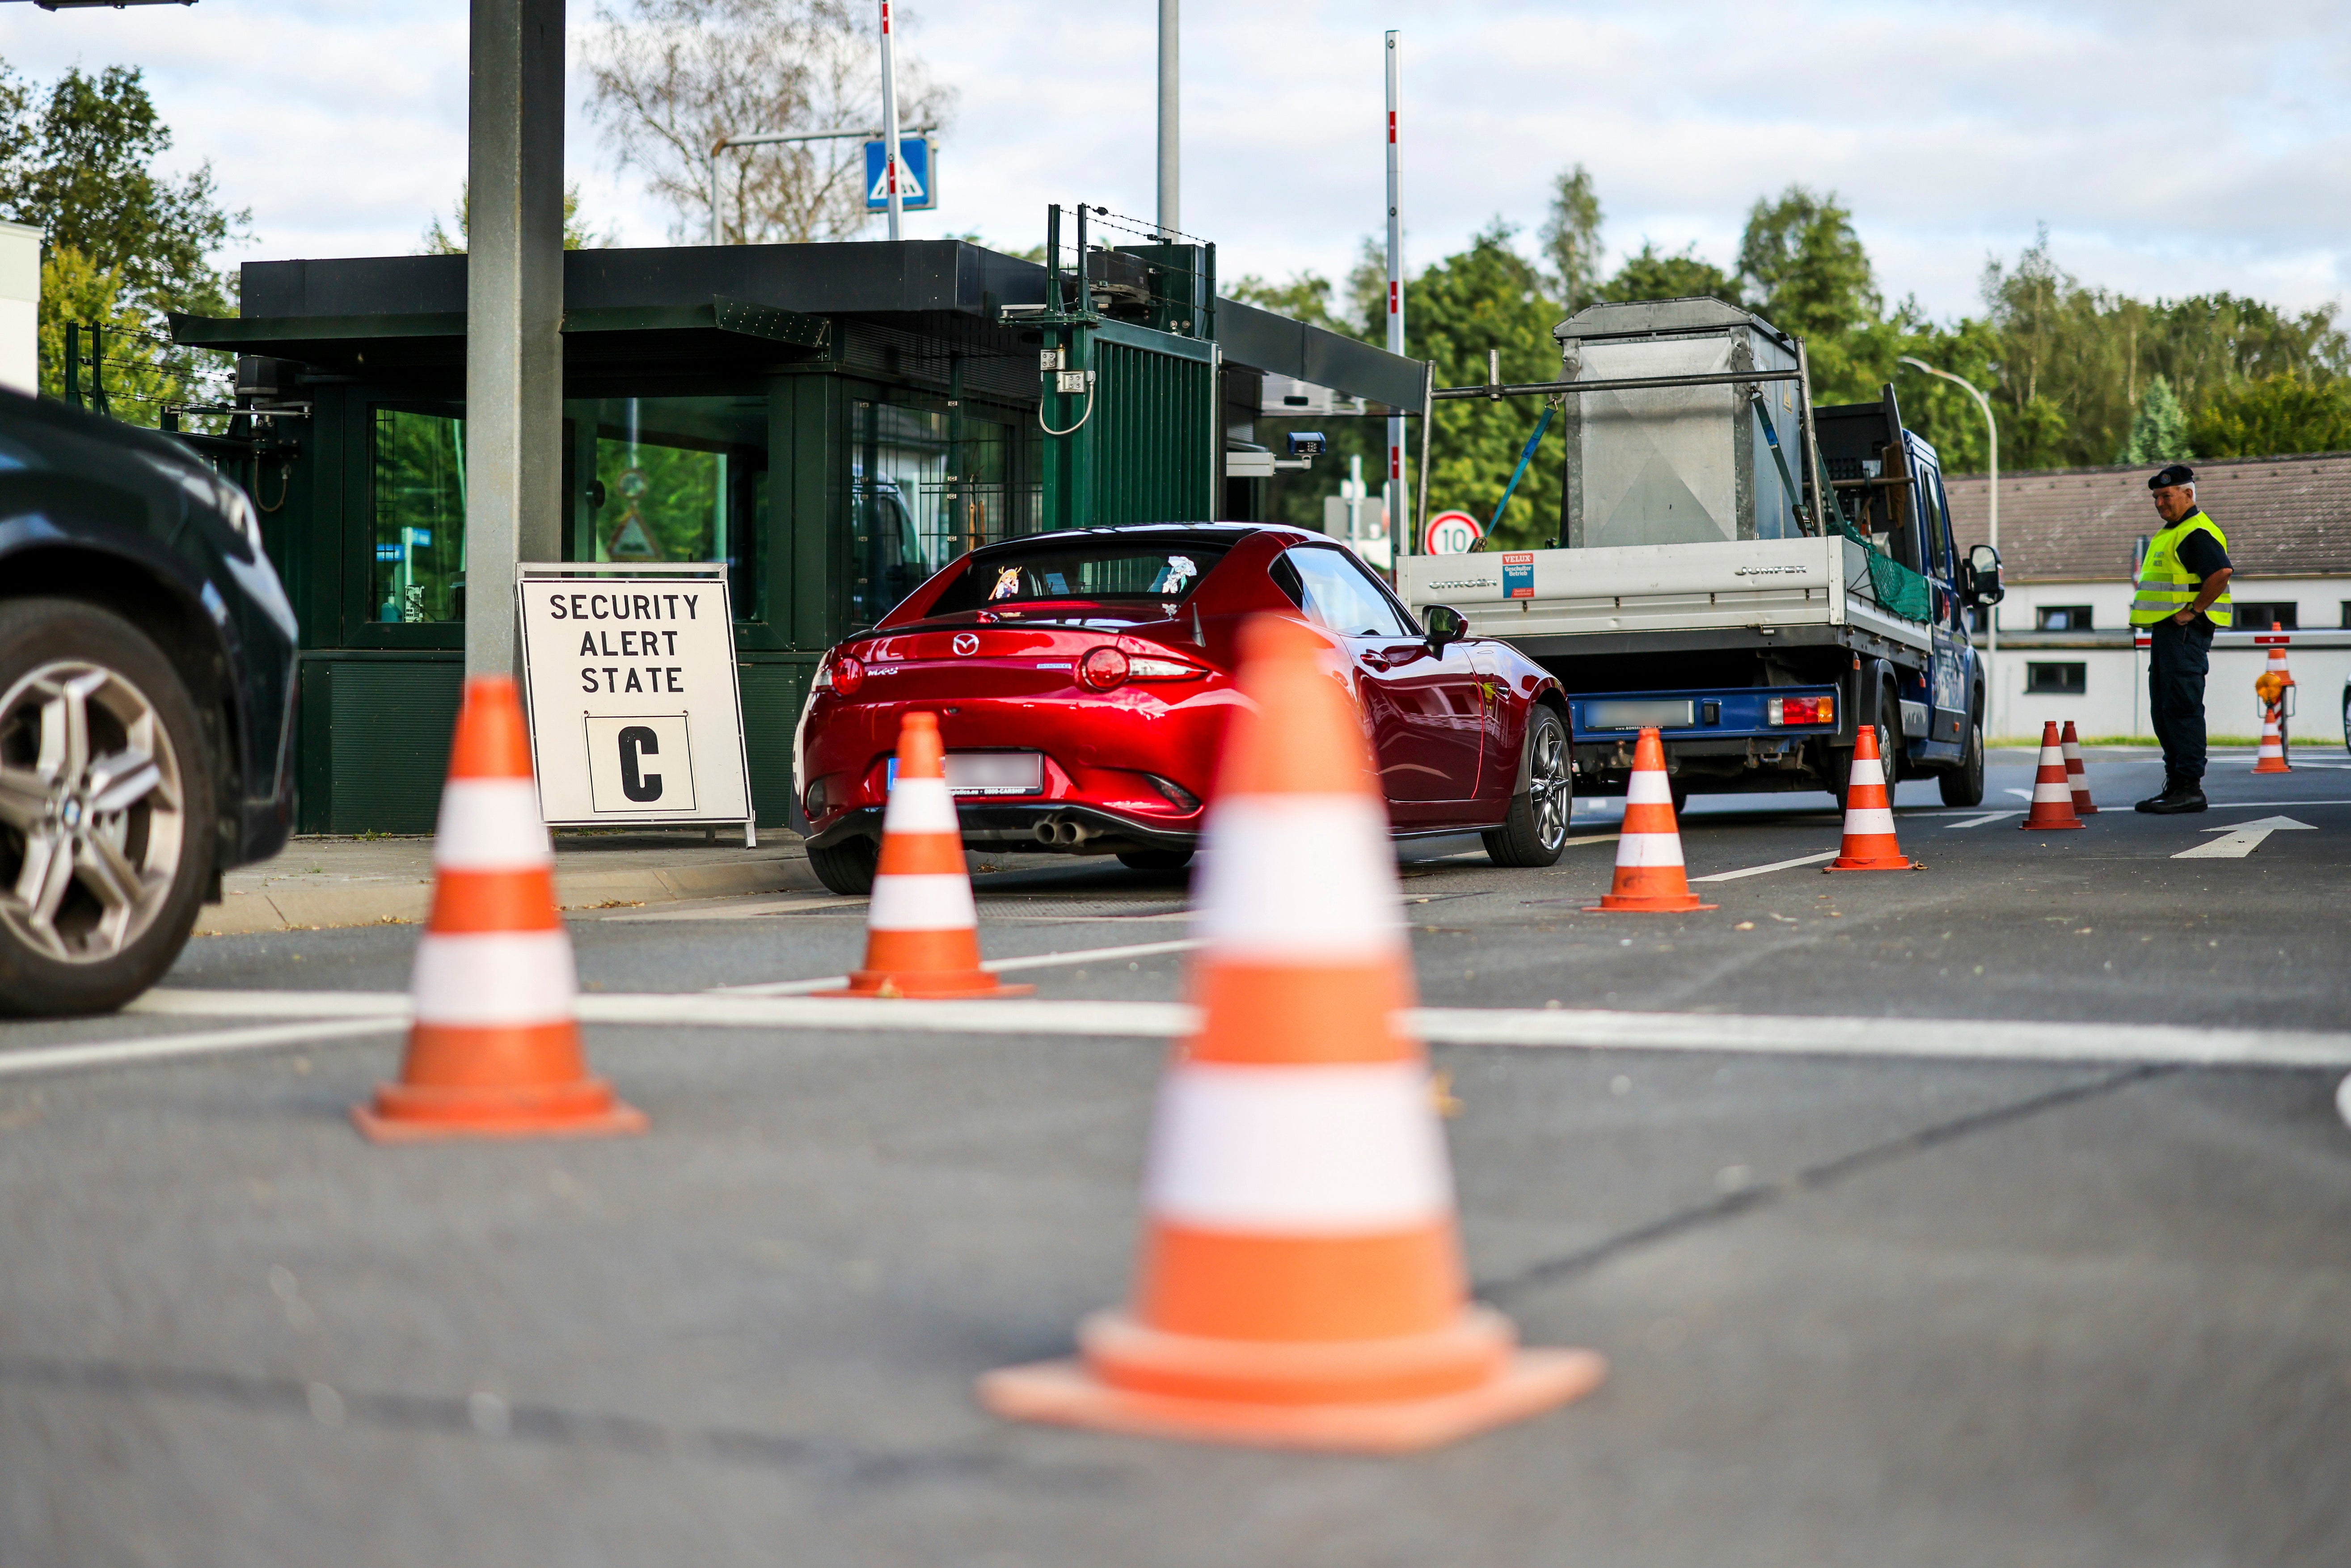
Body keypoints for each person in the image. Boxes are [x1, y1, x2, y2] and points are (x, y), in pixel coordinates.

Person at [2129, 463, 2233, 813]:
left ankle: (2189, 788)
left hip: (2185, 632)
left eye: (2165, 496)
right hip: (2170, 632)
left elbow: (2221, 572)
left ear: (2188, 494)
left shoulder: (2195, 531)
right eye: (2155, 498)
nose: (2159, 503)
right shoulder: (2171, 532)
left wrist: (2193, 610)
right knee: (2164, 709)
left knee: (2181, 707)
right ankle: (2176, 785)